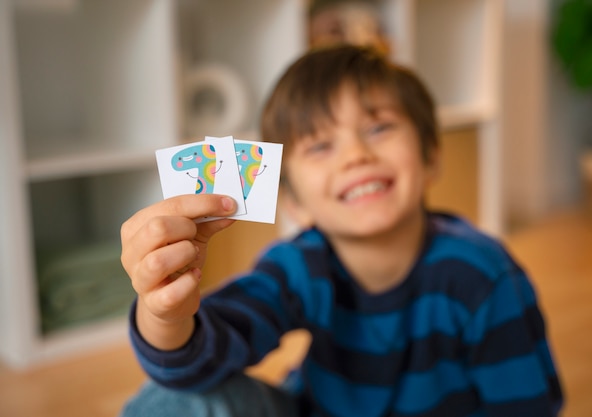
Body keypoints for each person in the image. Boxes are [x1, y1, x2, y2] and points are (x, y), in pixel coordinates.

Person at [119, 44, 563, 417]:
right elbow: (197, 363)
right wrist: (165, 313)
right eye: (321, 145)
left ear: (430, 156)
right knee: (169, 401)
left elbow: (527, 407)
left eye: (379, 127)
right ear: (294, 202)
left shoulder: (482, 275)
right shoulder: (298, 266)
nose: (355, 155)